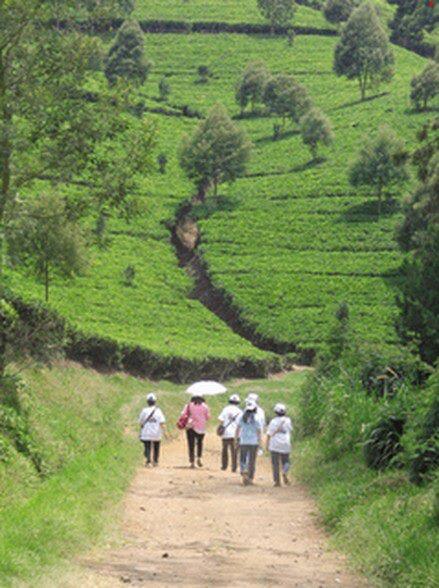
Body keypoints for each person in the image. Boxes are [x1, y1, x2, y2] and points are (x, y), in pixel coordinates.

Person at [236, 399, 262, 486]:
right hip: (253, 442)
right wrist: (260, 443)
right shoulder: (257, 418)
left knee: (243, 458)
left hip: (243, 441)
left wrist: (236, 439)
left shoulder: (242, 417)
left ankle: (244, 472)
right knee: (252, 460)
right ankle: (250, 478)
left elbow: (238, 429)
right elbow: (259, 432)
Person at [266, 403, 293, 487]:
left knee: (275, 463)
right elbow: (290, 430)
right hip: (285, 443)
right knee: (286, 461)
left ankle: (277, 481)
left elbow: (269, 434)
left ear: (275, 412)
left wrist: (267, 444)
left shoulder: (273, 421)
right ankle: (284, 471)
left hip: (274, 444)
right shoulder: (288, 420)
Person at [181, 395, 210, 468]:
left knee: (191, 444)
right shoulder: (205, 407)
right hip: (201, 428)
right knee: (200, 443)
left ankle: (192, 461)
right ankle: (199, 458)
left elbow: (183, 414)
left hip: (190, 426)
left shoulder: (189, 405)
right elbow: (208, 417)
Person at [139, 393, 166, 467]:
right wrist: (164, 431)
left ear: (147, 402)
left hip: (146, 432)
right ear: (155, 402)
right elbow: (162, 422)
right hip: (156, 432)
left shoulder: (144, 410)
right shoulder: (158, 411)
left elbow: (140, 421)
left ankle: (148, 461)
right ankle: (155, 461)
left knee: (147, 446)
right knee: (156, 446)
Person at [218, 394, 242, 472]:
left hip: (226, 433)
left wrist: (221, 427)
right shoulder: (240, 411)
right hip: (236, 433)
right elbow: (241, 424)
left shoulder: (226, 409)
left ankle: (224, 466)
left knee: (225, 450)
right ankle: (234, 467)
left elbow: (221, 420)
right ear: (238, 402)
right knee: (235, 452)